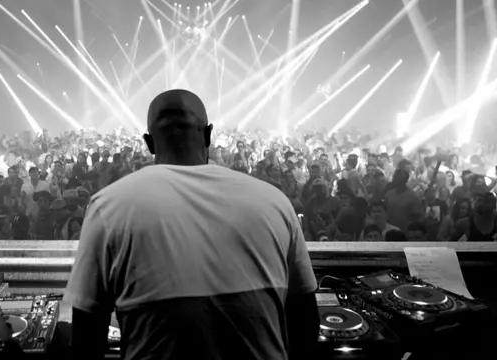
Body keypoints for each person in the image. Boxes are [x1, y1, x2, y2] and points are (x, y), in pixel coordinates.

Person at [66, 89, 318, 360]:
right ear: (208, 134)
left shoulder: (108, 206)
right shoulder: (274, 202)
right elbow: (304, 318)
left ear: (149, 142)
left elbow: (86, 333)